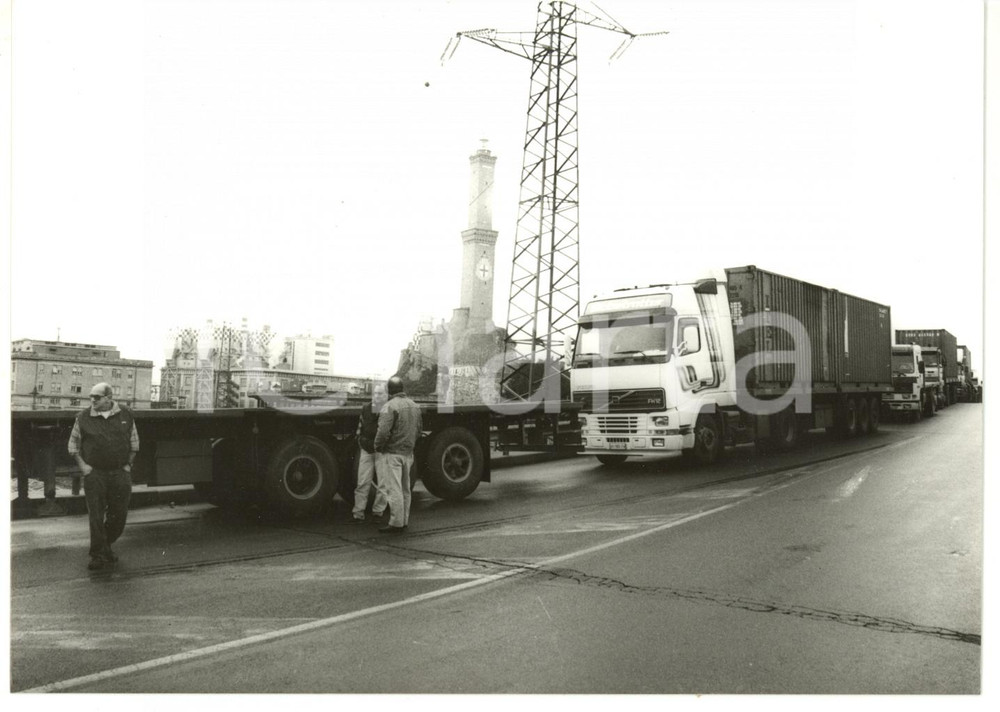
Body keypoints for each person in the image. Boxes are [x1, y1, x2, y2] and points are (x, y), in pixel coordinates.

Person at [67, 383, 139, 570]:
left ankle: (104, 547)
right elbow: (73, 446)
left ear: (108, 398)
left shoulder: (126, 414)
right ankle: (98, 555)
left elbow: (134, 443)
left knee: (119, 515)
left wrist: (128, 465)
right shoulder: (83, 417)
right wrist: (84, 468)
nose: (92, 400)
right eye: (90, 396)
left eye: (97, 397)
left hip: (119, 473)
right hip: (95, 473)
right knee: (96, 516)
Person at [373, 376, 423, 534]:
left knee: (393, 489)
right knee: (405, 488)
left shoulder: (389, 406)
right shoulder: (414, 406)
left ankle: (396, 523)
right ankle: (405, 520)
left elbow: (382, 432)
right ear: (402, 389)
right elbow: (419, 430)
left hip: (393, 453)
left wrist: (378, 447)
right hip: (408, 453)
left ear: (389, 390)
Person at [349, 383, 388, 523]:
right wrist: (361, 442)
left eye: (380, 393)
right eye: (375, 393)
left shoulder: (390, 409)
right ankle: (358, 513)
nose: (377, 396)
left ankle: (378, 512)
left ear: (386, 395)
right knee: (362, 482)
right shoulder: (366, 408)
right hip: (366, 450)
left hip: (382, 451)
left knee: (383, 483)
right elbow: (359, 428)